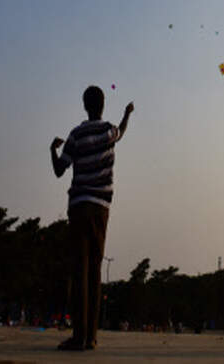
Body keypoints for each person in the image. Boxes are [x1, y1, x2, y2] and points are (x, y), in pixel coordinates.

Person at [50, 86, 134, 351]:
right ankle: (92, 338)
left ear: (84, 105)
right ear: (103, 104)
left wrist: (52, 150)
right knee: (95, 271)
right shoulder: (108, 130)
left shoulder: (75, 135)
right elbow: (121, 131)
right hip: (100, 209)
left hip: (78, 206)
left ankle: (78, 335)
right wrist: (127, 113)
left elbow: (59, 170)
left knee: (80, 270)